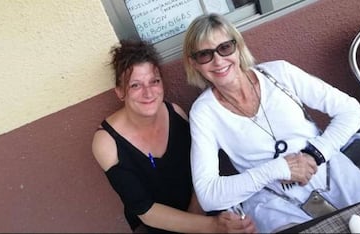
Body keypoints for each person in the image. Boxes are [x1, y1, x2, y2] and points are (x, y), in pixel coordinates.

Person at [182, 13, 360, 233]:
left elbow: (351, 110)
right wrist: (278, 169)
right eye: (205, 55)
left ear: (238, 46)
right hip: (274, 200)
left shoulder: (279, 73)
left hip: (329, 171)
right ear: (194, 63)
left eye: (225, 48)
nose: (218, 61)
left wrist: (316, 153)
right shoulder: (204, 112)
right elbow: (208, 195)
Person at [92, 39, 257, 233]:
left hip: (202, 209)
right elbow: (145, 210)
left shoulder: (176, 113)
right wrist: (213, 226)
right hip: (158, 225)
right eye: (136, 85)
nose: (148, 93)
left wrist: (199, 217)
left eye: (154, 81)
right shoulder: (106, 142)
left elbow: (202, 169)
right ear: (120, 92)